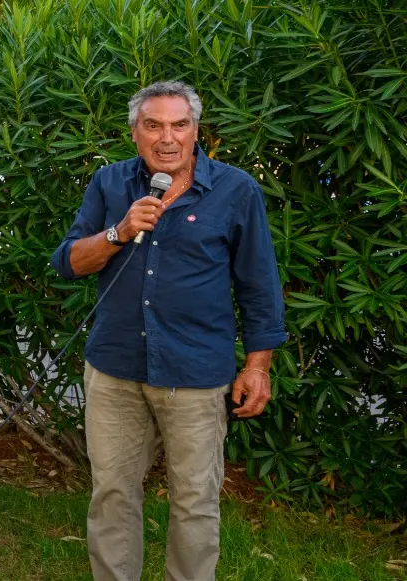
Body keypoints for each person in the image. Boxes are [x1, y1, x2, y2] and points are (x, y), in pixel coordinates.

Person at [51, 80, 285, 581]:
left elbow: (258, 283)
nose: (167, 138)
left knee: (196, 501)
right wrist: (119, 232)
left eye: (180, 125)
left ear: (197, 132)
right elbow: (68, 262)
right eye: (153, 125)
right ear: (135, 133)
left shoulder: (236, 190)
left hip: (196, 373)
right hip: (115, 370)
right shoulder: (110, 184)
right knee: (112, 494)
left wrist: (258, 364)